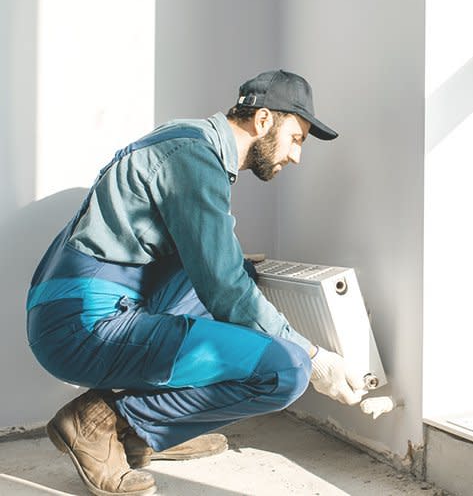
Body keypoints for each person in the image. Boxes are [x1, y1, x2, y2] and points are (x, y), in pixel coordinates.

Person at [26, 70, 367, 496]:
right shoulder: (196, 158)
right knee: (286, 370)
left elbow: (217, 273)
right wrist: (314, 357)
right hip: (80, 324)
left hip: (73, 306)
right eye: (296, 138)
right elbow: (224, 289)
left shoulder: (187, 140)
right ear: (263, 120)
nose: (297, 156)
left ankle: (145, 432)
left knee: (238, 274)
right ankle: (100, 422)